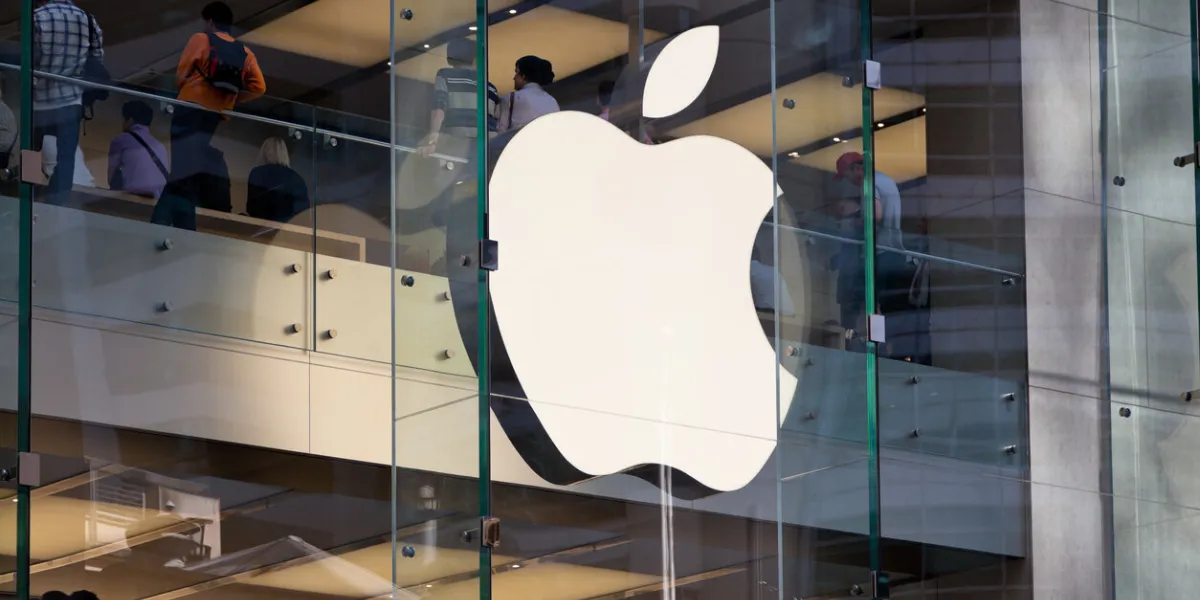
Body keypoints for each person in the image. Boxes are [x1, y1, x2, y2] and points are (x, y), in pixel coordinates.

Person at [156, 1, 265, 229]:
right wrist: (231, 100)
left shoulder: (201, 39)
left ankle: (166, 223)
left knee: (181, 170)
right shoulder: (244, 52)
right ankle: (176, 224)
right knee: (187, 170)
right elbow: (259, 87)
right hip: (213, 115)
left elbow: (181, 75)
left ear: (210, 21)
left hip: (189, 109)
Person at [31, 0, 104, 205]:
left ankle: (29, 197)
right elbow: (97, 59)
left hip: (39, 101)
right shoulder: (88, 20)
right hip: (71, 100)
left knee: (31, 153)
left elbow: (31, 58)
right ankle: (57, 202)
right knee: (66, 157)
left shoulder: (37, 17)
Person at [419, 38, 500, 158]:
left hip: (457, 142)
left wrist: (432, 142)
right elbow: (496, 122)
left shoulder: (445, 75)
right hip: (488, 148)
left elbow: (438, 110)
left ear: (450, 58)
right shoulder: (491, 87)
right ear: (474, 58)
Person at [108, 100, 169, 198]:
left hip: (133, 198)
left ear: (130, 120)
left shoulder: (120, 140)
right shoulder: (160, 146)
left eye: (123, 119)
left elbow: (111, 177)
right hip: (159, 200)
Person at [247, 137, 308, 222]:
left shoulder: (258, 173)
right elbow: (303, 214)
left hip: (261, 229)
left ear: (264, 153)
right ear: (285, 154)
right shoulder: (297, 179)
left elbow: (252, 208)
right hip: (287, 231)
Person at [497, 55, 558, 132]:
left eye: (516, 72)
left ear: (523, 76)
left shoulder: (511, 98)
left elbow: (501, 133)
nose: (514, 77)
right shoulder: (552, 101)